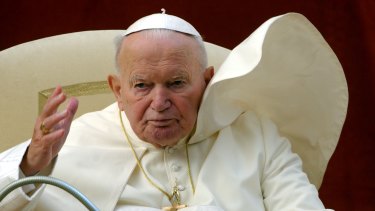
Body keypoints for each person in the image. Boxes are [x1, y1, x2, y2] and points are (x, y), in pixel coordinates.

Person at [0, 11, 348, 211]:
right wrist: (31, 163)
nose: (160, 102)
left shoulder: (254, 135)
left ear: (207, 82)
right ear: (117, 90)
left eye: (177, 83)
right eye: (142, 86)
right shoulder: (69, 142)